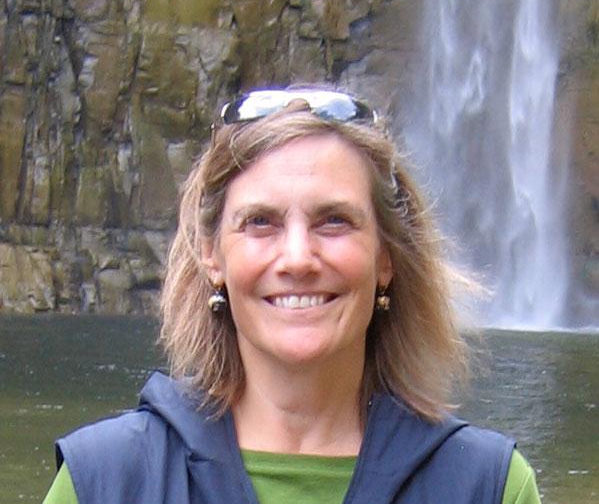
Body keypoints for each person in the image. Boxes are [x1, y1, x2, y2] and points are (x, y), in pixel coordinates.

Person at [43, 87, 541, 503]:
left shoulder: (489, 486)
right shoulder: (103, 483)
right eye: (261, 222)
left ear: (386, 258)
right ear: (211, 256)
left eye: (334, 221)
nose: (298, 258)